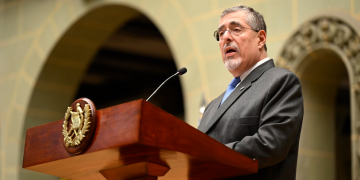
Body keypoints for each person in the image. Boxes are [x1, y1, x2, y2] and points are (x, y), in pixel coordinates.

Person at [197, 5, 303, 180]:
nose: (226, 38)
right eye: (220, 33)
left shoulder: (281, 81)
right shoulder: (212, 106)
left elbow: (270, 144)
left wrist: (212, 156)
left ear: (261, 39)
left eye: (235, 29)